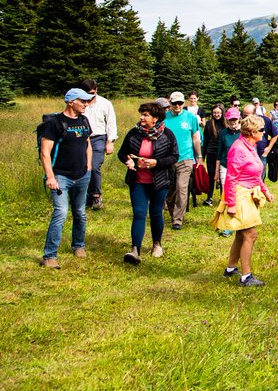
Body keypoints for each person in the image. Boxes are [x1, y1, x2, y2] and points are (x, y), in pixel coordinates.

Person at [211, 112, 275, 286]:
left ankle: (231, 268)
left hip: (248, 192)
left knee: (241, 233)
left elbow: (255, 174)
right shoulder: (239, 148)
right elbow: (231, 177)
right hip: (239, 194)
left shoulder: (250, 146)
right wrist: (231, 203)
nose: (264, 132)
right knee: (250, 234)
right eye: (261, 129)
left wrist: (265, 190)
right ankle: (246, 276)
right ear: (252, 131)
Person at [118, 100, 180, 263]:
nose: (141, 117)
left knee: (155, 213)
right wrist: (128, 161)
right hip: (137, 181)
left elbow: (174, 157)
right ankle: (135, 250)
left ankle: (157, 244)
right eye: (141, 114)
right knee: (139, 213)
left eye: (145, 115)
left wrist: (156, 163)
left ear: (155, 118)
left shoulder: (167, 134)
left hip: (160, 181)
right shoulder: (133, 133)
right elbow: (122, 153)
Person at [39, 88, 94, 268]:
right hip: (60, 176)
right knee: (61, 213)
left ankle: (78, 245)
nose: (86, 104)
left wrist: (89, 167)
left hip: (82, 175)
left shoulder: (84, 120)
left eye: (87, 101)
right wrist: (50, 177)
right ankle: (49, 256)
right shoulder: (55, 123)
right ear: (71, 102)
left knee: (80, 212)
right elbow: (45, 152)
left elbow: (87, 144)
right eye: (82, 101)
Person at [163, 91, 203, 230]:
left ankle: (177, 219)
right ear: (170, 103)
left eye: (180, 103)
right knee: (170, 190)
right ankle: (173, 210)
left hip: (185, 158)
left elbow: (196, 138)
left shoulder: (190, 117)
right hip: (168, 159)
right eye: (175, 103)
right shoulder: (164, 118)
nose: (178, 106)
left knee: (182, 188)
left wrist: (199, 156)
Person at [80, 78, 117, 211]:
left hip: (98, 138)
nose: (90, 96)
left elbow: (111, 122)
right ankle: (82, 196)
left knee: (94, 166)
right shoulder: (78, 102)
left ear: (96, 90)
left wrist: (110, 141)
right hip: (81, 138)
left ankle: (96, 195)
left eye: (92, 93)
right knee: (82, 167)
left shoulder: (105, 103)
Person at [200, 103, 224, 207]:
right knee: (211, 175)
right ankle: (209, 197)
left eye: (218, 112)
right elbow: (205, 141)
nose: (216, 114)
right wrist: (203, 155)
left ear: (222, 113)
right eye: (214, 113)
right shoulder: (209, 124)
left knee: (222, 175)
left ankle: (223, 197)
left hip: (223, 154)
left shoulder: (226, 124)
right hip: (211, 152)